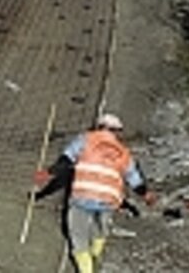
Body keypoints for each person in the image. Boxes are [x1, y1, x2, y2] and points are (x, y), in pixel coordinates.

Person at [34, 113, 157, 273]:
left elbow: (65, 162)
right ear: (117, 131)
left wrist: (48, 174)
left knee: (79, 240)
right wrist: (146, 195)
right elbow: (135, 180)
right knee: (99, 232)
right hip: (108, 200)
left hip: (83, 196)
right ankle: (96, 254)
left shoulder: (85, 140)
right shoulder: (124, 152)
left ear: (98, 126)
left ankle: (87, 267)